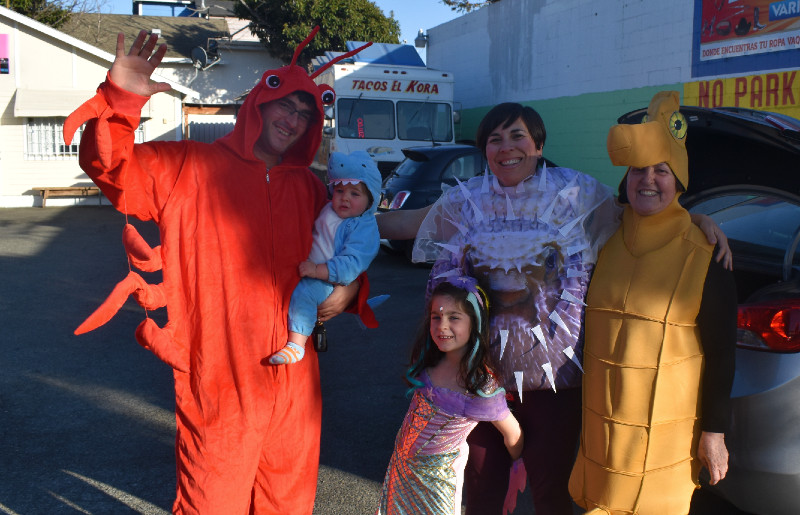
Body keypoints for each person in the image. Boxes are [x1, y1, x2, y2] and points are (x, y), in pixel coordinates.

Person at [65, 28, 376, 514]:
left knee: (289, 503)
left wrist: (352, 287)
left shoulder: (312, 189)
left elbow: (354, 240)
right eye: (285, 106)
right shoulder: (188, 165)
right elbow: (113, 169)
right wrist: (122, 100)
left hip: (296, 378)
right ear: (258, 104)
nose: (293, 121)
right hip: (220, 378)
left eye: (304, 114)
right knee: (211, 501)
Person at [378, 102, 731, 515]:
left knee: (552, 494)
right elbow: (407, 223)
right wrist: (338, 221)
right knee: (482, 491)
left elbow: (636, 212)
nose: (507, 148)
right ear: (484, 149)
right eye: (495, 139)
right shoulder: (465, 199)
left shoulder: (576, 193)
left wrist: (693, 220)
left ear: (539, 144)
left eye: (518, 136)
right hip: (480, 378)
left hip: (556, 387)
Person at [568, 91, 736, 514]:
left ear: (678, 181)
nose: (648, 179)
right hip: (602, 431)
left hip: (666, 436)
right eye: (638, 170)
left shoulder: (705, 253)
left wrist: (715, 433)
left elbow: (722, 353)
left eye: (661, 171)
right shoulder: (602, 236)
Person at [377, 276, 523, 515]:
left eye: (454, 317)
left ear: (474, 323)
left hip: (438, 483)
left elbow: (513, 433)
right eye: (436, 317)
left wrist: (517, 465)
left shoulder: (479, 387)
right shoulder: (430, 362)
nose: (442, 326)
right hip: (401, 471)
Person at [270, 151, 381, 365]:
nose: (345, 197)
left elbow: (353, 263)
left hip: (326, 279)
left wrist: (317, 271)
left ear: (370, 201)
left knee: (304, 295)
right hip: (309, 270)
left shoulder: (364, 227)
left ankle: (296, 345)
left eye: (355, 194)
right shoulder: (328, 209)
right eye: (339, 190)